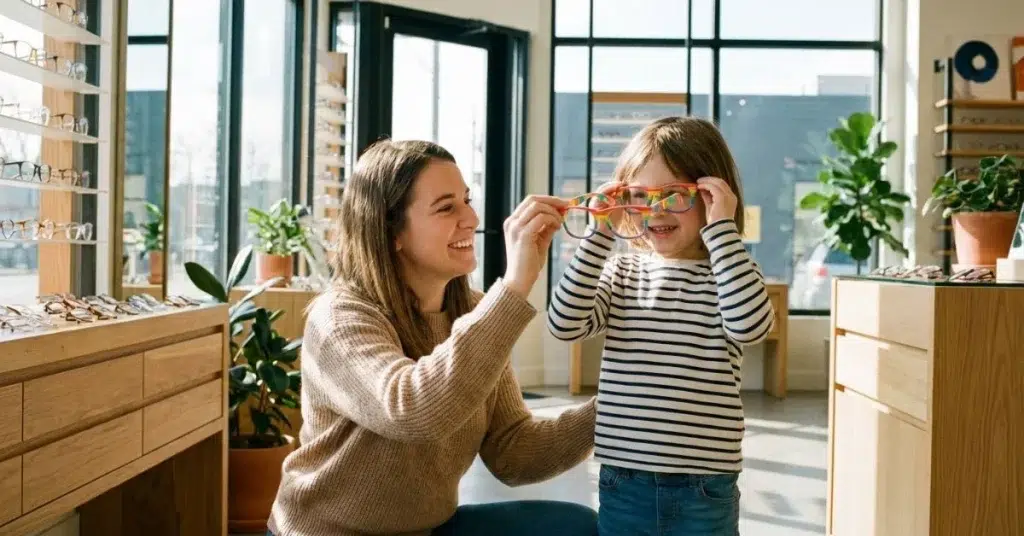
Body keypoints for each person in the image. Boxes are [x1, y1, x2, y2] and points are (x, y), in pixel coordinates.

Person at [267, 139, 598, 536]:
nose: (471, 218)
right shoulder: (339, 317)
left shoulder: (475, 312)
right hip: (328, 532)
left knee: (573, 527)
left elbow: (514, 454)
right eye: (446, 207)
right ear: (392, 232)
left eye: (466, 200)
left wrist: (620, 402)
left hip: (425, 530)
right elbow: (412, 410)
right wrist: (514, 286)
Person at [547, 116, 775, 536]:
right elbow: (565, 323)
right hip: (625, 479)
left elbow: (751, 328)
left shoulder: (731, 272)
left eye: (674, 196)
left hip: (705, 485)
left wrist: (722, 230)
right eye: (639, 196)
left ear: (712, 195)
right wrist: (600, 234)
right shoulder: (622, 271)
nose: (655, 211)